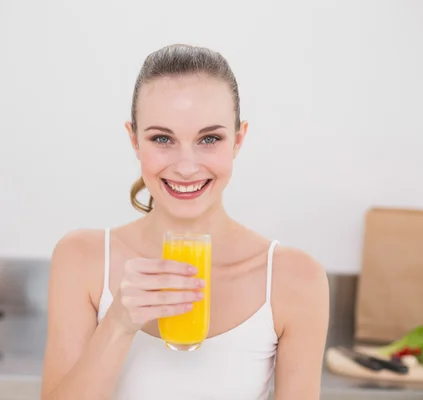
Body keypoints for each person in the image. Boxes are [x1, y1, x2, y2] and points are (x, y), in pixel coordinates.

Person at [40, 43, 330, 400]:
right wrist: (118, 323)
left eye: (209, 139)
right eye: (163, 138)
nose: (186, 165)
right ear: (134, 140)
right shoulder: (81, 259)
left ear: (238, 140)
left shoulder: (296, 279)